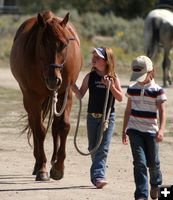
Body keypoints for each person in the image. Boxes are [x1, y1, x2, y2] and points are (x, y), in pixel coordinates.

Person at [72, 47, 123, 189]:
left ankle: (98, 176)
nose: (94, 58)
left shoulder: (113, 78)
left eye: (98, 57)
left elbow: (120, 97)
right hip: (91, 117)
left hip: (107, 118)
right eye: (93, 55)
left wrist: (111, 86)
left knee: (103, 148)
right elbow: (80, 95)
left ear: (106, 61)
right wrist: (71, 85)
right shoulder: (90, 77)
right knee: (92, 147)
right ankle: (99, 170)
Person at [122, 55, 167, 200]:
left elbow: (162, 111)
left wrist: (161, 130)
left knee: (153, 163)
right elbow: (128, 110)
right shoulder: (132, 88)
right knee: (139, 163)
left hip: (151, 132)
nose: (139, 78)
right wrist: (124, 129)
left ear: (151, 72)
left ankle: (156, 185)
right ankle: (141, 194)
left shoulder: (157, 90)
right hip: (134, 131)